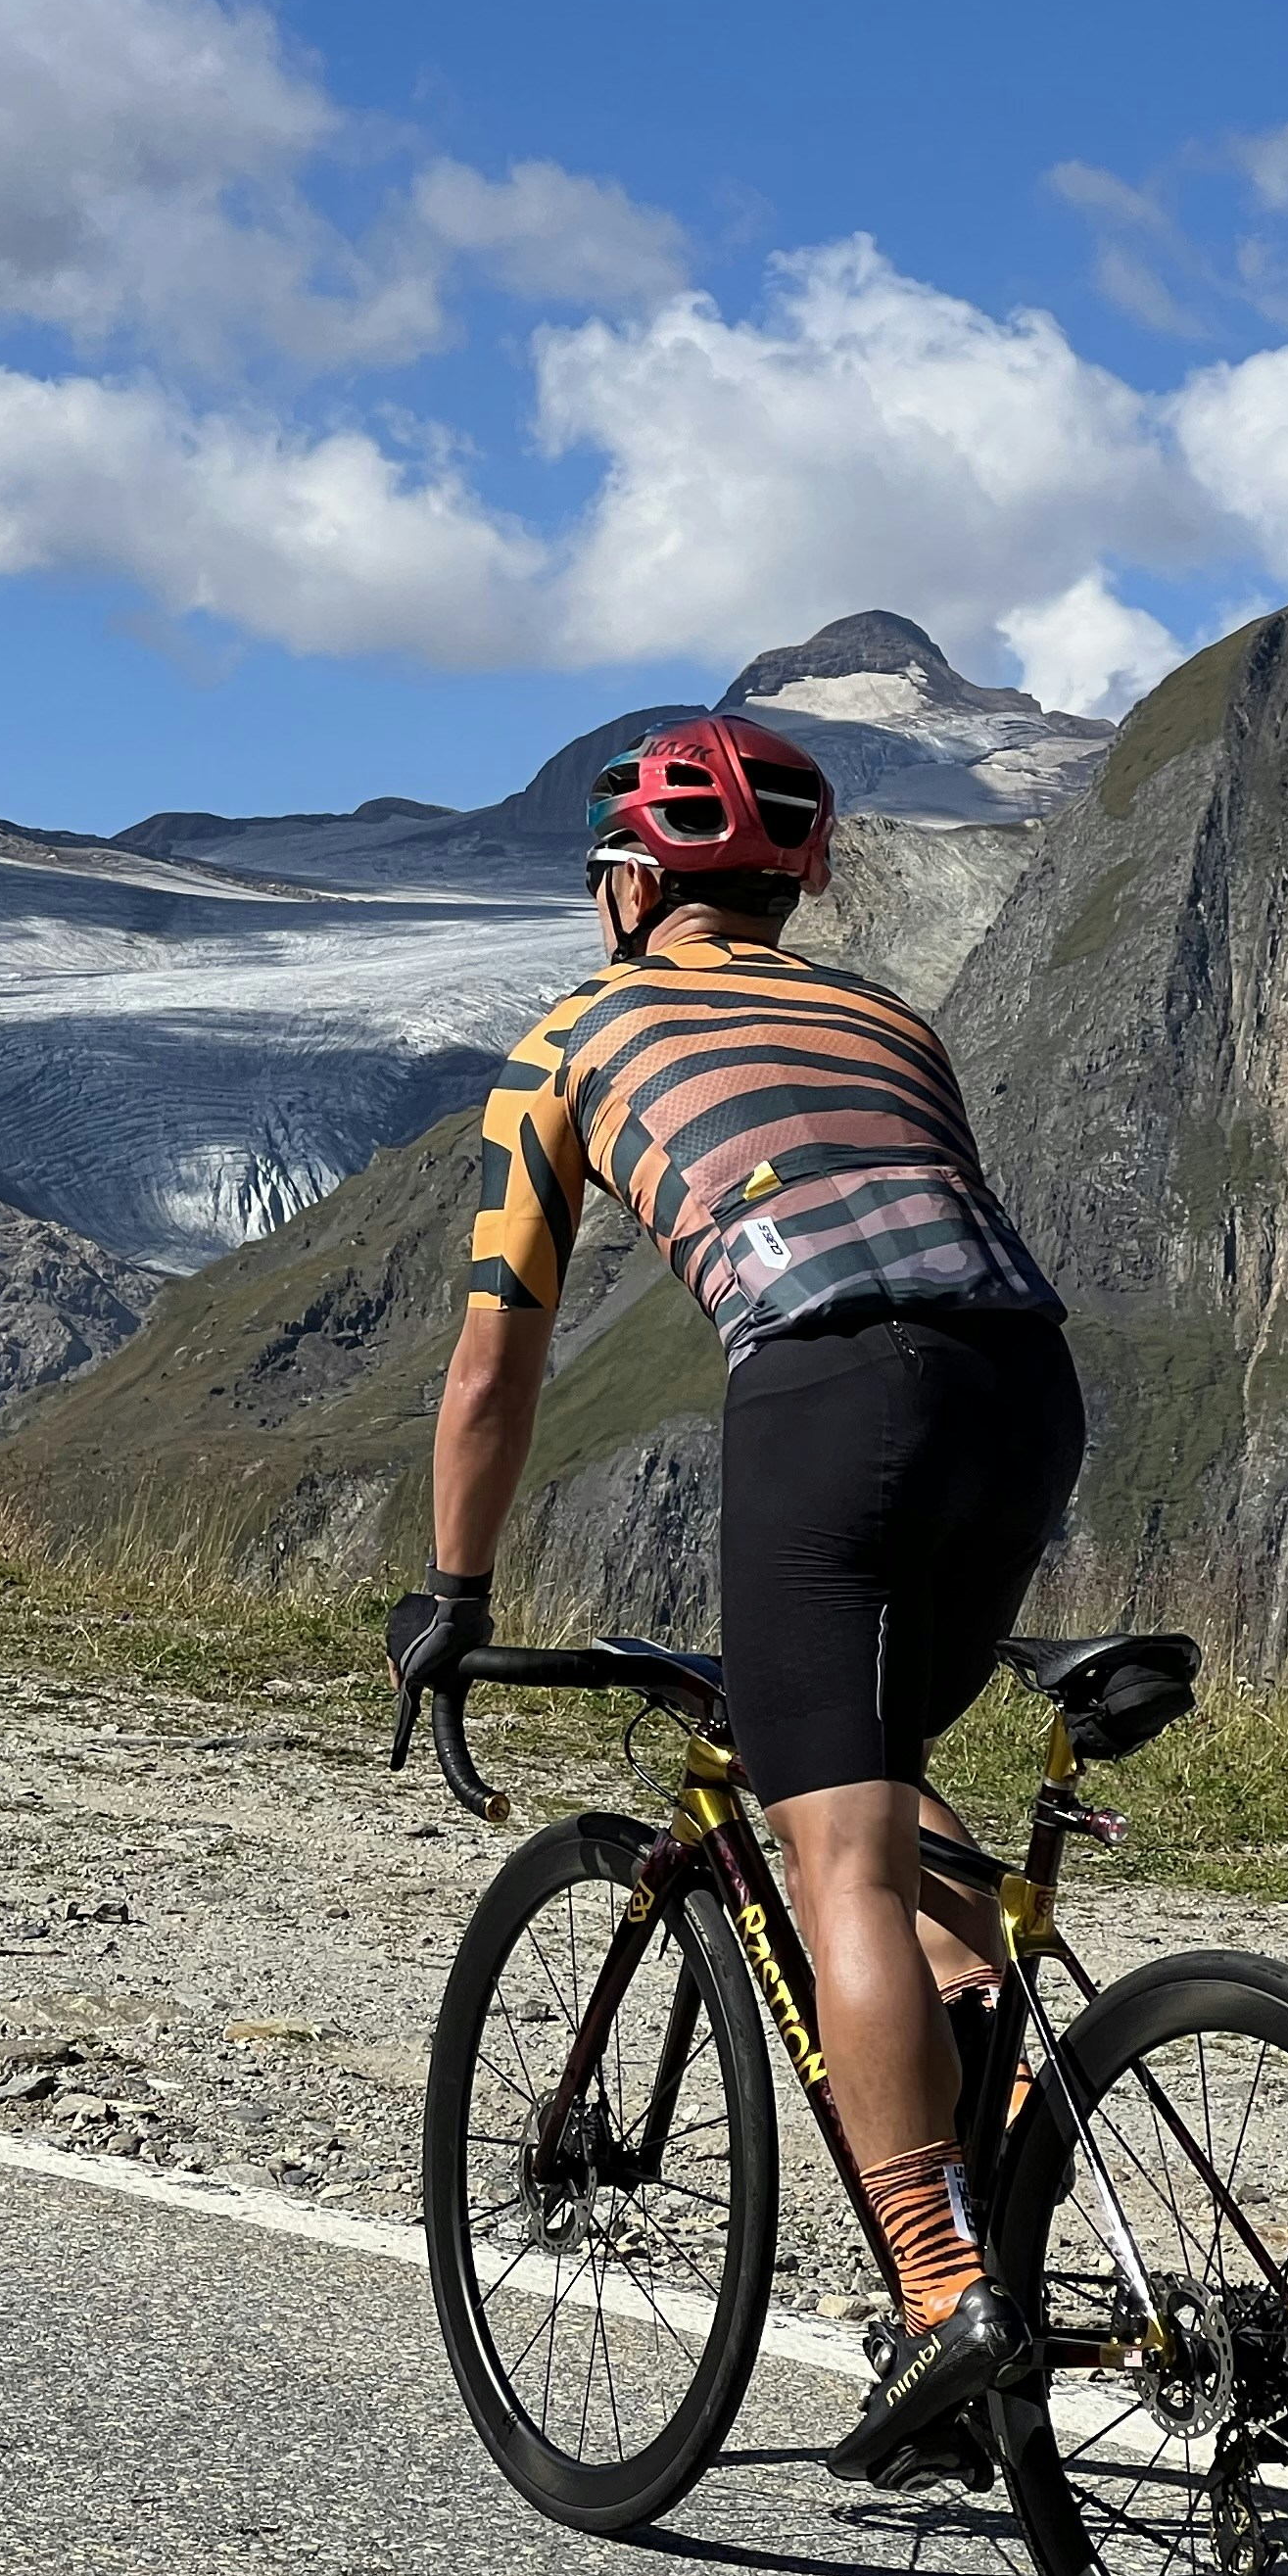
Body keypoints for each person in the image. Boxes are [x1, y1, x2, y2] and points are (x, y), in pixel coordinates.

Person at [387, 708, 1085, 2486]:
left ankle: (942, 2292)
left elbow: (490, 1372)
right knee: (888, 1789)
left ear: (630, 883)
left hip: (833, 1395)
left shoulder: (573, 1035)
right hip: (1026, 1391)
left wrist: (452, 1596)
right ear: (800, 880)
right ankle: (1005, 2154)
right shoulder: (886, 1019)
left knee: (827, 1848)